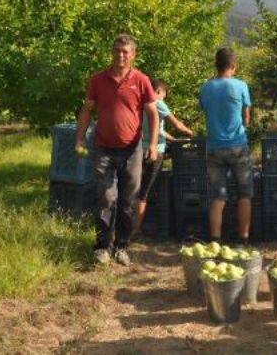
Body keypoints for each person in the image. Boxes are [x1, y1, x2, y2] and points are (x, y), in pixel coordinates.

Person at [75, 35, 159, 266]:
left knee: (128, 200)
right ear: (112, 53)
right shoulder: (98, 79)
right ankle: (103, 246)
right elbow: (87, 110)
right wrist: (79, 139)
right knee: (105, 196)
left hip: (132, 150)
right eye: (117, 50)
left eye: (125, 51)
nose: (120, 55)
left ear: (133, 55)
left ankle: (122, 246)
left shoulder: (141, 80)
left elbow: (153, 113)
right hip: (103, 148)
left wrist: (152, 144)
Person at [199, 48, 253, 244]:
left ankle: (215, 241)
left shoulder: (206, 87)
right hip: (238, 145)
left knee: (218, 196)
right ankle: (243, 240)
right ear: (233, 66)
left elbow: (206, 110)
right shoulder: (241, 86)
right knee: (244, 194)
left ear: (216, 65)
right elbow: (246, 116)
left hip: (214, 147)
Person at [133, 78, 194, 234]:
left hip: (139, 150)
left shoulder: (141, 103)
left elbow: (158, 129)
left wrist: (172, 139)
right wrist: (190, 133)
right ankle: (135, 229)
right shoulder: (157, 103)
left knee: (135, 187)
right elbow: (176, 124)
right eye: (164, 94)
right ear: (159, 91)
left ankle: (129, 225)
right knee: (144, 191)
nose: (164, 97)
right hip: (155, 152)